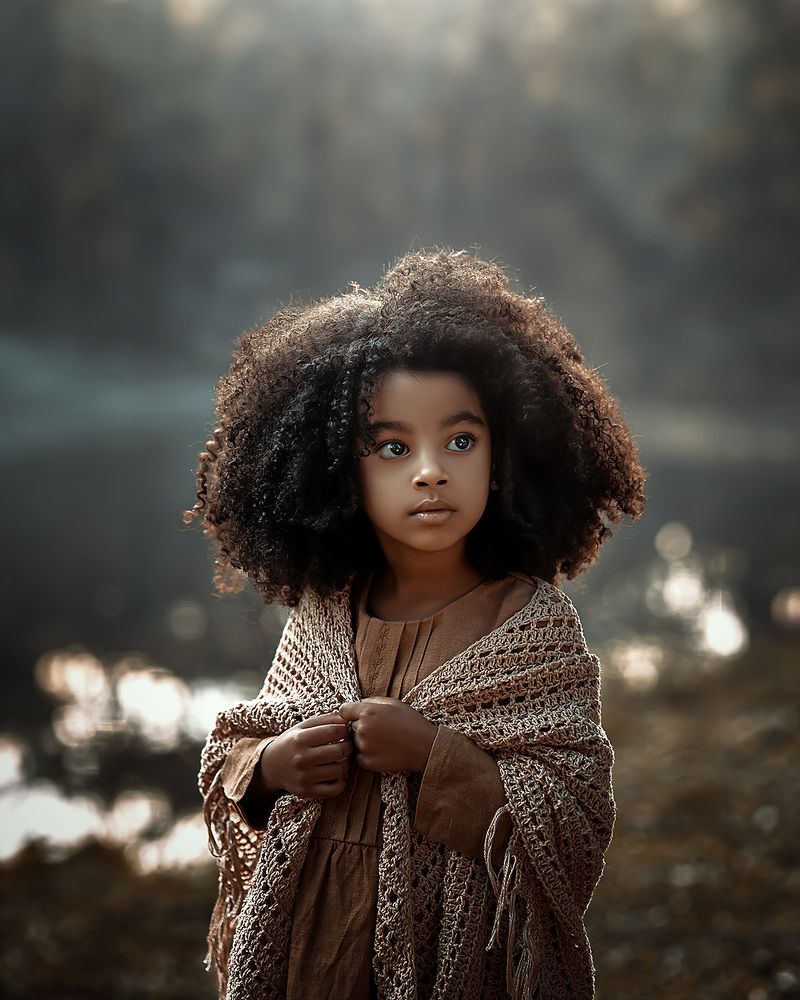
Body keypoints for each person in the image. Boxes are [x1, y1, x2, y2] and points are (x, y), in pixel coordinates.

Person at [185, 248, 647, 1000]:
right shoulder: (327, 611)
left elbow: (574, 821)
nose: (430, 470)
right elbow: (238, 749)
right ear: (340, 469)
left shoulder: (527, 625)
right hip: (309, 943)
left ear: (501, 460)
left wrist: (433, 755)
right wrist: (272, 765)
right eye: (392, 447)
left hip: (457, 956)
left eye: (460, 441)